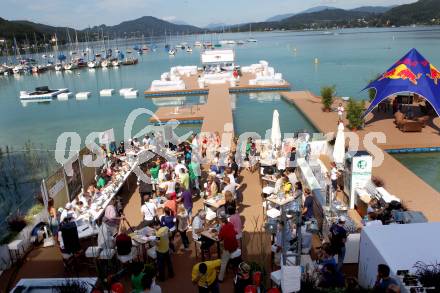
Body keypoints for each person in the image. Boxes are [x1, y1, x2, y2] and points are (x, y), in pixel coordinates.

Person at [218, 214, 238, 282]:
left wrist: (220, 230)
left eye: (220, 222)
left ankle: (220, 278)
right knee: (221, 247)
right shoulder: (230, 224)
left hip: (229, 248)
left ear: (222, 222)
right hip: (235, 246)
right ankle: (228, 260)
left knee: (223, 263)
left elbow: (220, 238)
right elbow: (235, 232)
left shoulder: (223, 228)